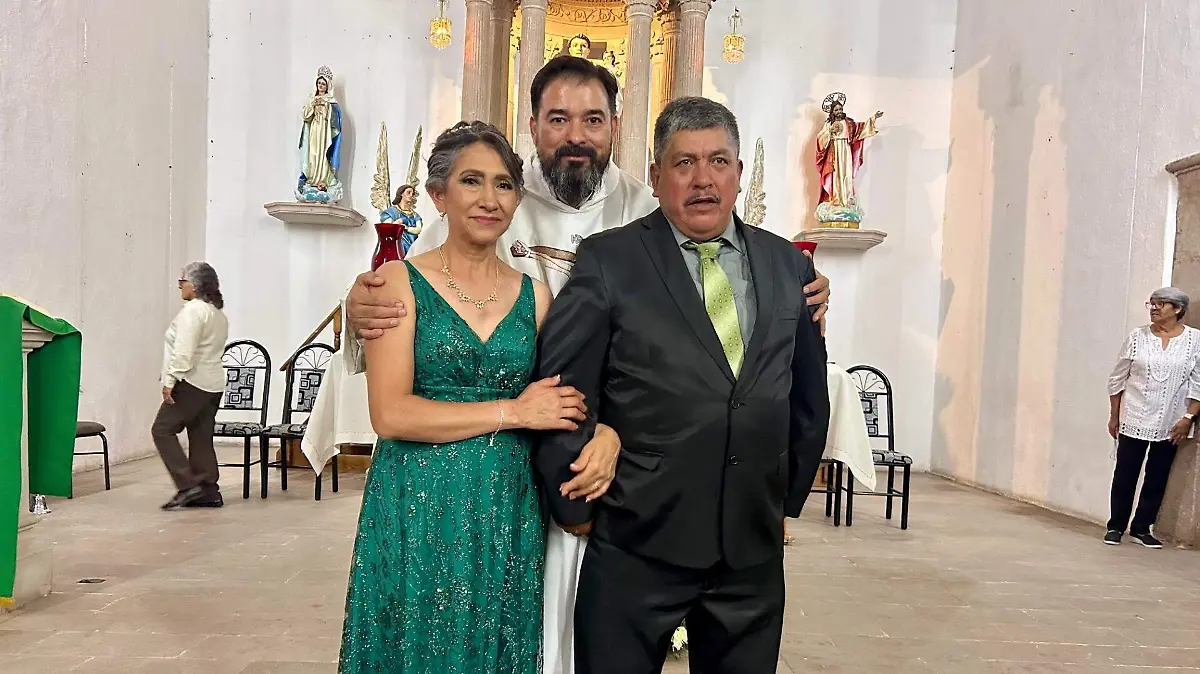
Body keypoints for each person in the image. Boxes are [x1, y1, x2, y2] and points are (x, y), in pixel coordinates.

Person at [345, 56, 831, 674]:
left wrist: (776, 503)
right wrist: (356, 305)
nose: (576, 135)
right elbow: (406, 307)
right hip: (531, 477)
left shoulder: (641, 200)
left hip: (628, 482)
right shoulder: (498, 196)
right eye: (558, 119)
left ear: (615, 127)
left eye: (593, 119)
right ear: (533, 125)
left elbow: (784, 386)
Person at [536, 97, 831, 674]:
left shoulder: (788, 266)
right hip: (637, 543)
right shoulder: (608, 260)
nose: (703, 180)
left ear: (740, 173)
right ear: (655, 176)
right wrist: (577, 507)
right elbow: (562, 390)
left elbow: (807, 398)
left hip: (750, 554)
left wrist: (781, 501)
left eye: (719, 161)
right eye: (684, 163)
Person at [339, 121, 583, 673]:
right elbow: (391, 413)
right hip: (417, 497)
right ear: (438, 195)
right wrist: (515, 411)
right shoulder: (397, 283)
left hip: (507, 502)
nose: (488, 198)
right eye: (471, 181)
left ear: (518, 199)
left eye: (503, 185)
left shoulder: (537, 297)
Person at [1105, 287, 1200, 548]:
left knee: (1157, 476)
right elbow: (1117, 379)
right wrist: (1115, 415)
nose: (1155, 308)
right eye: (1153, 303)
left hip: (1172, 422)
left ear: (1178, 309)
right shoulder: (1138, 337)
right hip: (1134, 416)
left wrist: (1188, 417)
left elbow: (1198, 382)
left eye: (1161, 304)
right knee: (1125, 473)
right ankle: (1115, 526)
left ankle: (1141, 528)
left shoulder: (1195, 340)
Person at [152, 262, 230, 510]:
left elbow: (184, 351)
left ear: (194, 285)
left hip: (192, 381)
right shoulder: (216, 313)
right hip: (214, 384)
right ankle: (208, 491)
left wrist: (170, 381)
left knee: (162, 429)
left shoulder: (193, 311)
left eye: (181, 281)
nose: (179, 286)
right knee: (200, 435)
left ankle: (188, 485)